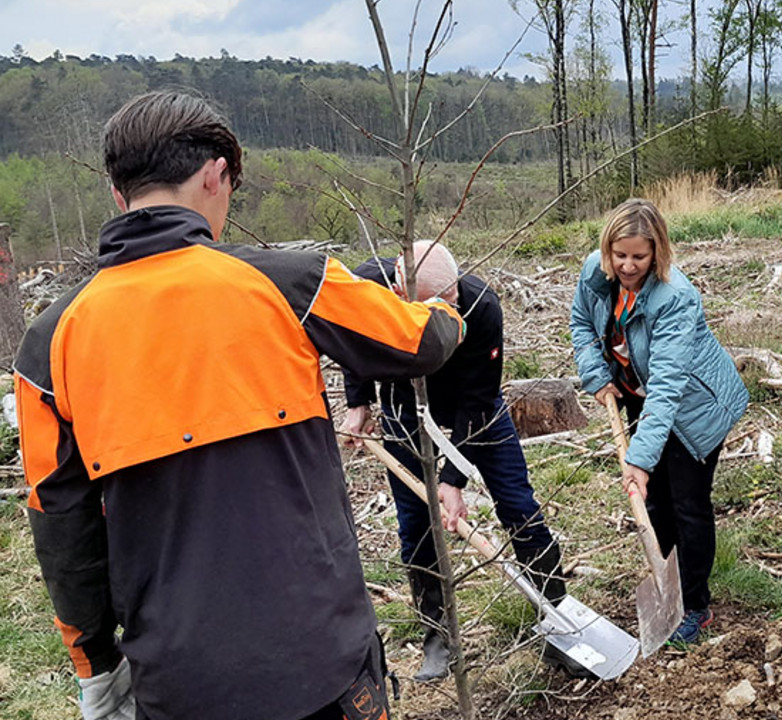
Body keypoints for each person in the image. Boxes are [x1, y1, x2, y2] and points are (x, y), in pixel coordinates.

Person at [14, 91, 464, 720]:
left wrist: (95, 665)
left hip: (177, 681)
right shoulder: (291, 281)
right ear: (216, 175)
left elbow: (59, 522)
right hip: (322, 661)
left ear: (119, 195)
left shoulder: (49, 344)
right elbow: (421, 340)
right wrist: (449, 306)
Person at [339, 240, 573, 680]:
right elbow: (353, 338)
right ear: (400, 288)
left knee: (519, 505)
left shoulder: (481, 305)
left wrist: (453, 478)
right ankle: (437, 636)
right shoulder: (367, 286)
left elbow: (480, 400)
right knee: (415, 525)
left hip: (472, 408)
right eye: (438, 305)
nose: (452, 311)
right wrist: (360, 402)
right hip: (405, 408)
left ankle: (557, 615)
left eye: (453, 300)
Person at [570, 198, 748, 645]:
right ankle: (670, 589)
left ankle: (696, 605)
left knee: (688, 504)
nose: (628, 265)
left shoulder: (675, 298)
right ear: (607, 249)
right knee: (655, 505)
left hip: (693, 411)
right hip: (636, 397)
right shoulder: (596, 274)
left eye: (639, 256)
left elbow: (668, 387)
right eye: (620, 254)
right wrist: (596, 376)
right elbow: (580, 324)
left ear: (658, 253)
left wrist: (640, 459)